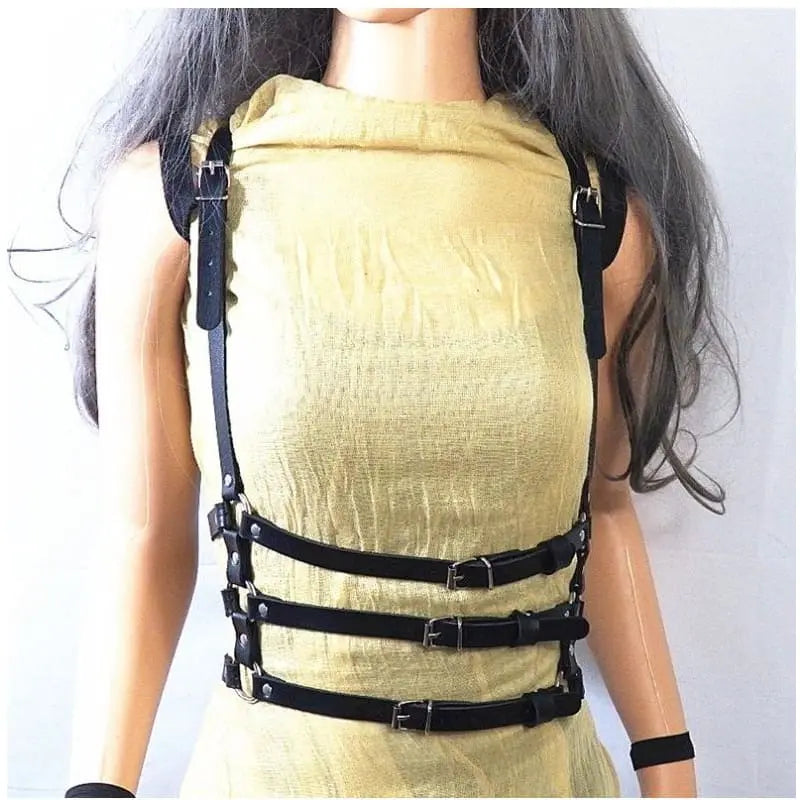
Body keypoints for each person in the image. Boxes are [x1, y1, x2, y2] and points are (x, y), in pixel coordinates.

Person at [11, 8, 737, 799]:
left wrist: (670, 770)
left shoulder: (593, 214)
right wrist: (99, 788)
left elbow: (608, 512)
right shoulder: (181, 198)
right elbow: (143, 533)